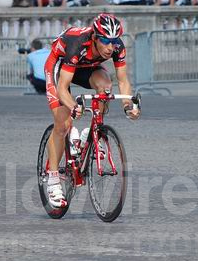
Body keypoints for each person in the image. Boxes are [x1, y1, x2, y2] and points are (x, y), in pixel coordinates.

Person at [43, 13, 139, 207]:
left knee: (105, 86)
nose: (110, 47)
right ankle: (53, 180)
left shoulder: (117, 46)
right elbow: (62, 88)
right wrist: (73, 106)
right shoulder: (77, 43)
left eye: (114, 41)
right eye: (105, 41)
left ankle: (93, 132)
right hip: (60, 66)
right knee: (63, 124)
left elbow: (123, 81)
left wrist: (128, 106)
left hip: (86, 67)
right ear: (95, 37)